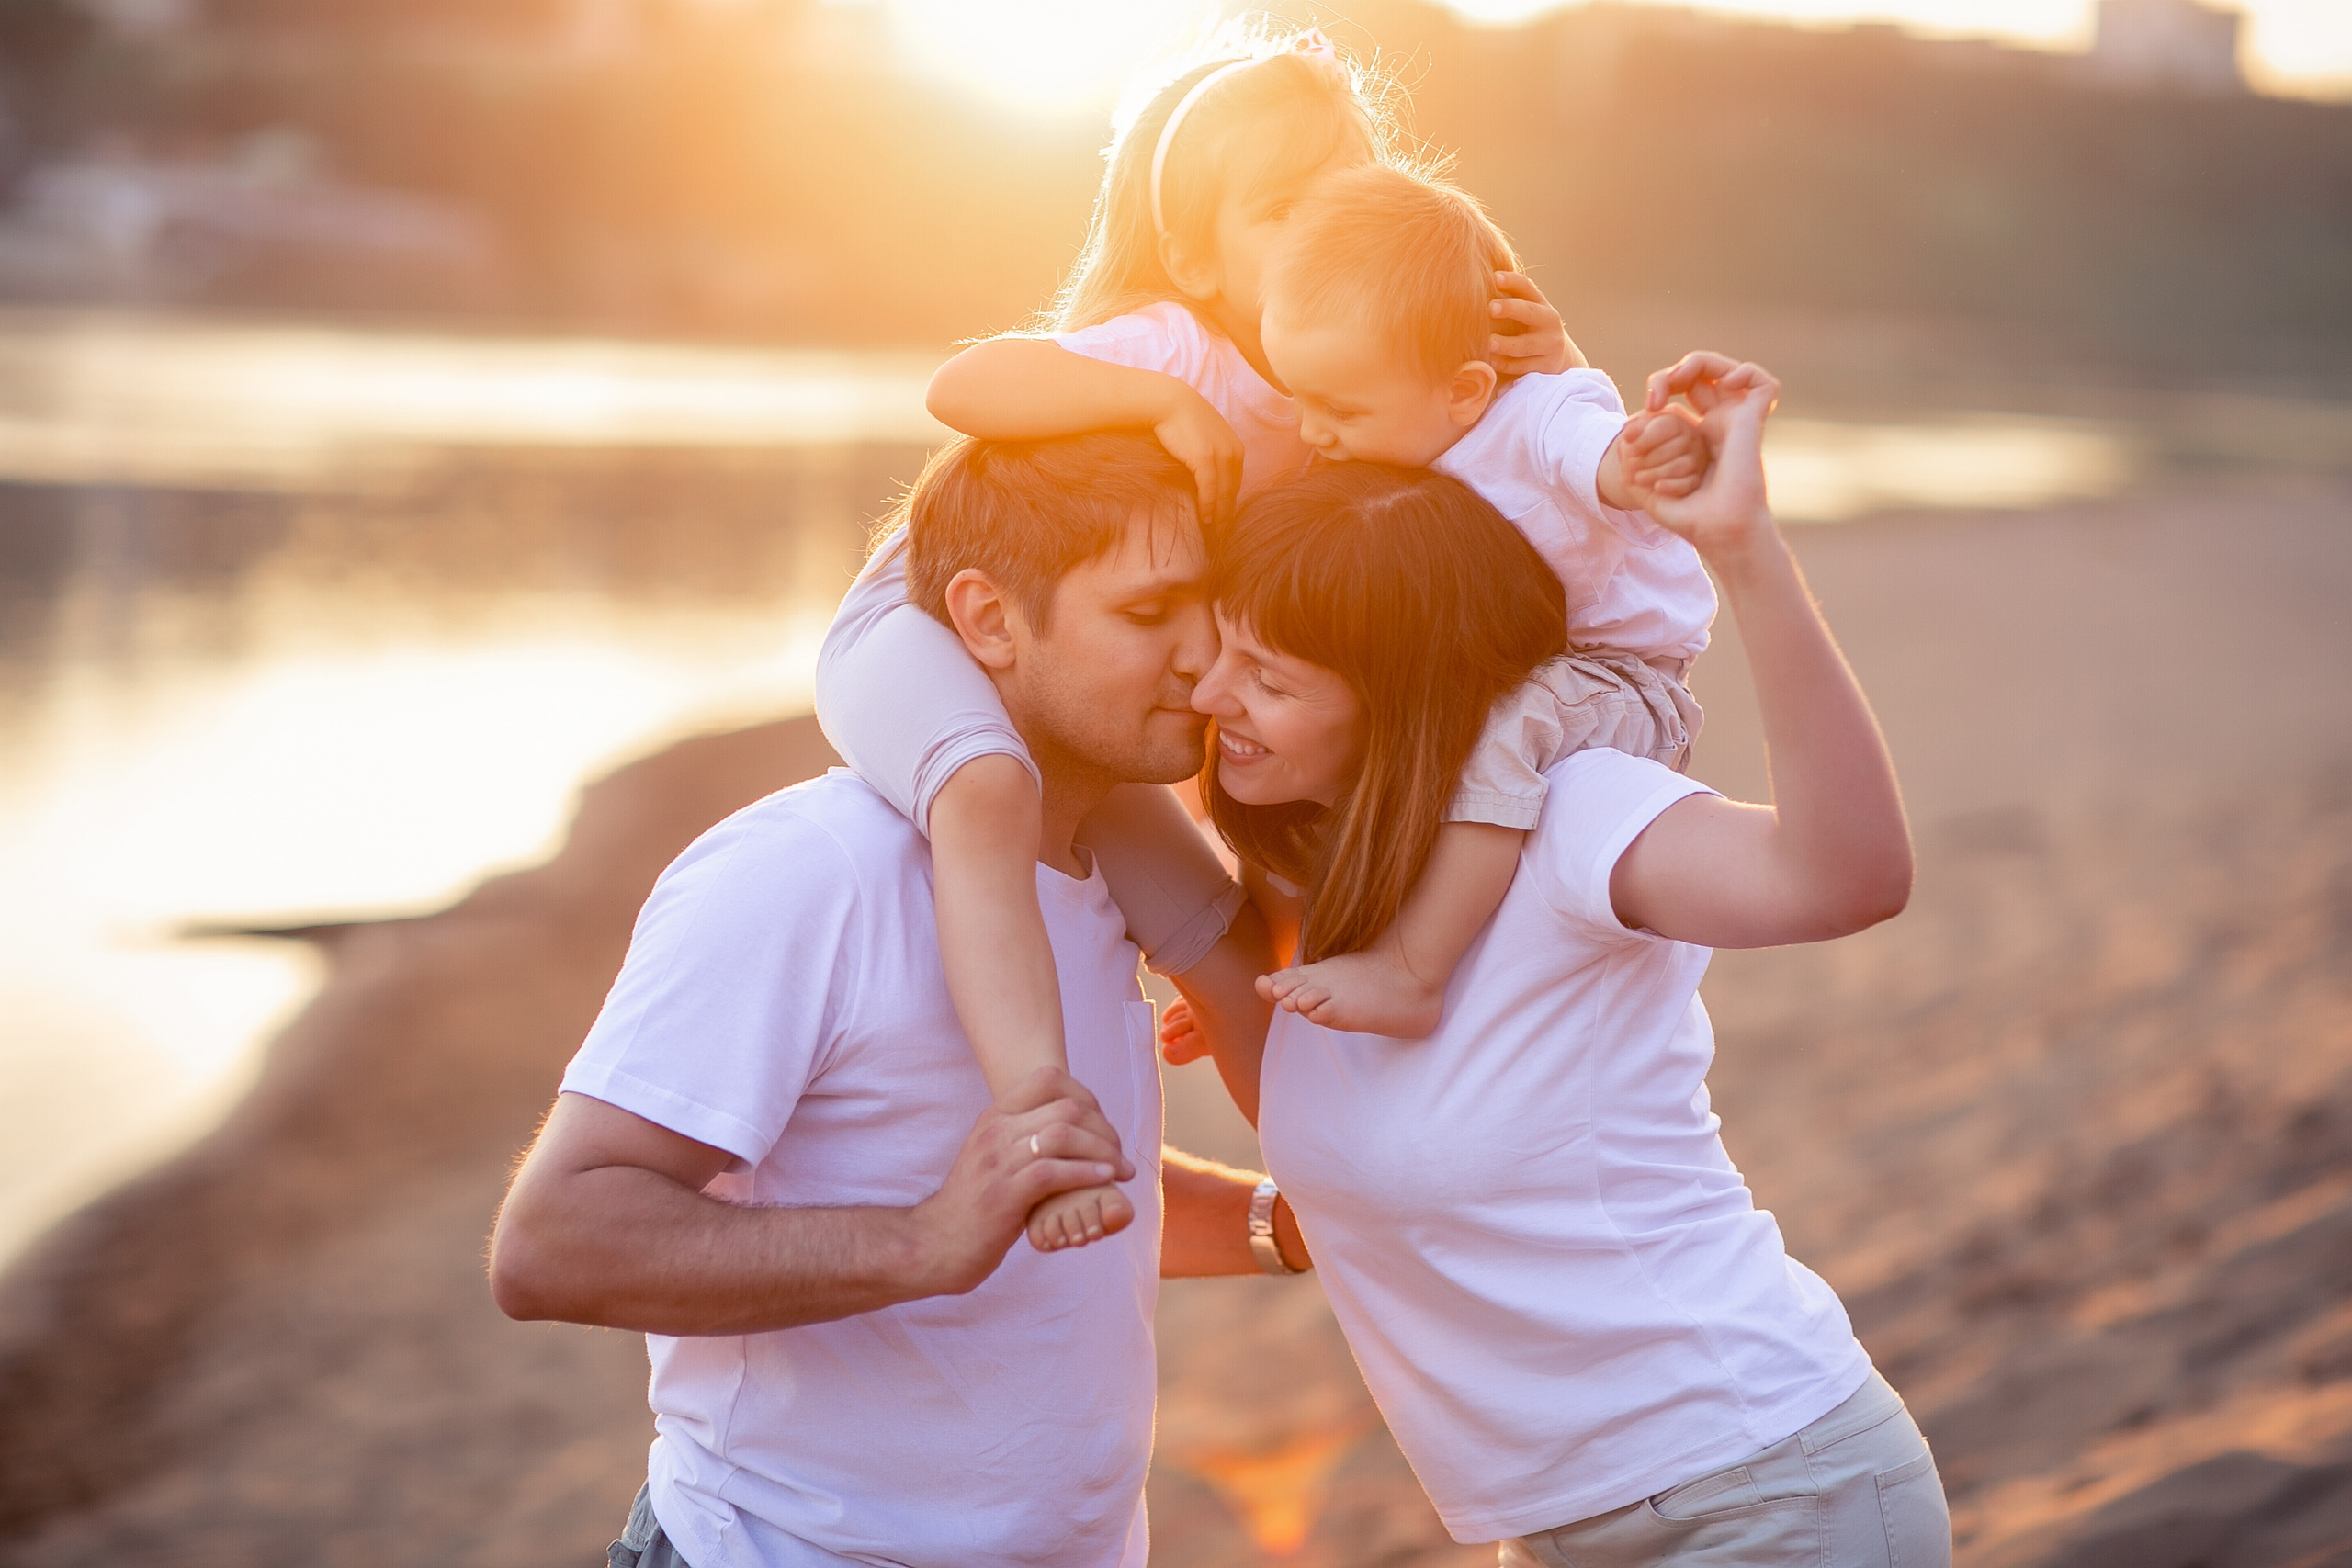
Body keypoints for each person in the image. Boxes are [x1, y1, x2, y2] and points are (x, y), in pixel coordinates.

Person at [814, 27, 1599, 1253]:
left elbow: (1506, 501)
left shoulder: (1346, 386)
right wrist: (1158, 401)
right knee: (983, 785)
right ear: (1191, 251)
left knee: (1227, 934)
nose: (1313, 235)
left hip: (1075, 695)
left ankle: (1340, 1173)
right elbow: (963, 386)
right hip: (926, 634)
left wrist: (1558, 377)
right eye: (1278, 211)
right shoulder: (1176, 345)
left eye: (1335, 203)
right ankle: (1036, 1108)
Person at [1166, 355, 1953, 1565]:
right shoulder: (1319, 882)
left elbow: (1847, 878)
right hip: (1548, 1534)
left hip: (1761, 1489)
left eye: (1268, 677)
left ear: (1403, 700)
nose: (1216, 694)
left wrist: (1743, 550)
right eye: (1220, 652)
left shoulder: (1569, 813)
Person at [488, 432, 1310, 1568]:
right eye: (1145, 613)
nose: (1201, 659)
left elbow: (1025, 1177)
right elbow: (551, 1245)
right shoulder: (806, 873)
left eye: (1211, 608)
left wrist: (1283, 1227)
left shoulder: (1108, 875)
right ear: (986, 620)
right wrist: (924, 1244)